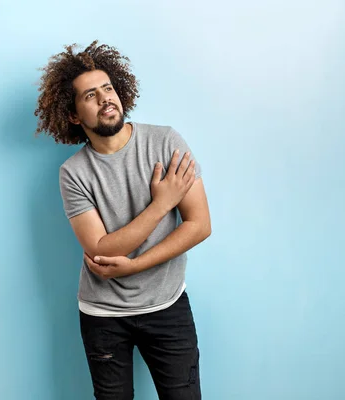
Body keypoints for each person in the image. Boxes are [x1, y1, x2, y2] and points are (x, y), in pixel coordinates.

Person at [34, 40, 212, 400]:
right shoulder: (74, 173)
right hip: (103, 316)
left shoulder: (165, 142)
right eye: (89, 96)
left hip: (167, 306)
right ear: (73, 115)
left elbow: (200, 225)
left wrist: (135, 266)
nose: (105, 99)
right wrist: (162, 203)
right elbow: (100, 250)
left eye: (108, 89)